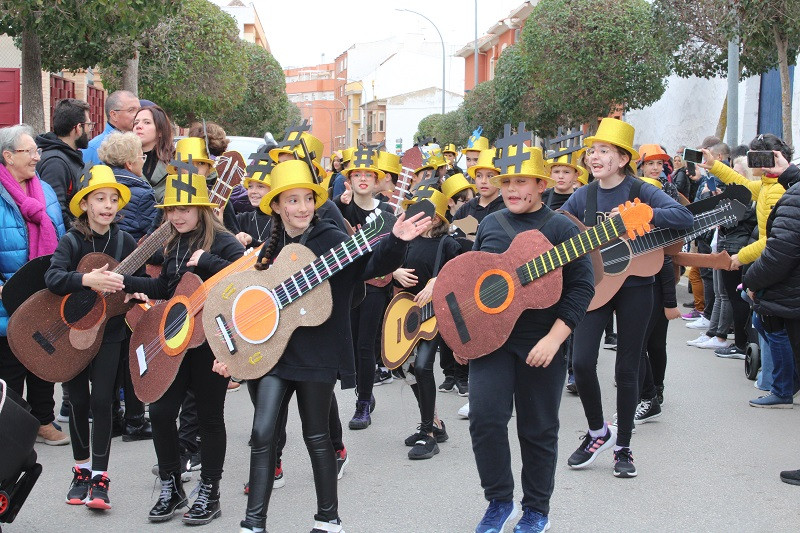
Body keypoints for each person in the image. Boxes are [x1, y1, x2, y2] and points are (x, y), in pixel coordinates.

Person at [212, 158, 429, 533]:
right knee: (262, 433)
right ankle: (253, 522)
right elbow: (249, 305)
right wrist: (230, 352)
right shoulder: (270, 248)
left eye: (307, 199)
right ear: (277, 206)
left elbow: (369, 265)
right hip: (273, 354)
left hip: (317, 354)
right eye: (291, 201)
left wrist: (395, 242)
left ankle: (329, 519)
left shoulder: (332, 239)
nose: (301, 208)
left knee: (317, 436)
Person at [470, 145, 595, 533]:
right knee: (484, 420)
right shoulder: (490, 224)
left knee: (537, 429)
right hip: (491, 342)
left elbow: (581, 289)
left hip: (540, 342)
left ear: (541, 185)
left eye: (520, 181)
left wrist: (555, 340)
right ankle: (499, 501)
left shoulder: (562, 228)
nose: (510, 188)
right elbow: (475, 282)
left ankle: (537, 509)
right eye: (505, 180)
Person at [561, 118, 693, 478]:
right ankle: (597, 432)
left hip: (637, 286)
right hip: (597, 286)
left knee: (628, 366)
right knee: (584, 362)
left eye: (604, 151)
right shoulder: (584, 195)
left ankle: (624, 447)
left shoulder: (640, 188)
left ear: (622, 159)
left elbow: (683, 217)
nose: (594, 157)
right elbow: (557, 224)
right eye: (592, 151)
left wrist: (647, 212)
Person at [121, 172, 245, 525]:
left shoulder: (222, 240)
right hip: (174, 341)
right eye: (172, 209)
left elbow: (245, 280)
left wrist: (208, 262)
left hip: (211, 342)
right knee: (160, 413)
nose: (177, 215)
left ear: (202, 208)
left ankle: (210, 491)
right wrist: (126, 282)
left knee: (208, 418)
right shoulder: (174, 242)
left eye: (185, 208)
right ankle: (171, 486)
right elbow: (166, 285)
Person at [45, 165, 139, 510]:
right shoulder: (72, 240)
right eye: (100, 198)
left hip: (110, 333)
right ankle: (80, 470)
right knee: (78, 403)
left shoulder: (125, 241)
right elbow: (53, 278)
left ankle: (100, 477)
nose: (108, 205)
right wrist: (86, 281)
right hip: (72, 334)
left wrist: (135, 293)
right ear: (85, 204)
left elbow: (136, 280)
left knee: (102, 402)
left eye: (113, 199)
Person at [0, 124, 68, 447]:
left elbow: (61, 233)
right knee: (10, 365)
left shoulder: (45, 191)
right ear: (8, 156)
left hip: (43, 294)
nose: (36, 157)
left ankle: (43, 420)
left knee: (43, 358)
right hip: (6, 297)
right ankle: (11, 428)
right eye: (30, 152)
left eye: (36, 151)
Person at [699, 134, 787, 360]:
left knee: (771, 327)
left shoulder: (776, 190)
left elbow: (773, 239)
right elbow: (745, 186)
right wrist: (714, 165)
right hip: (767, 260)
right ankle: (772, 379)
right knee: (764, 321)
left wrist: (741, 256)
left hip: (772, 262)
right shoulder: (768, 184)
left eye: (754, 155)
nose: (749, 160)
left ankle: (778, 383)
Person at [97, 131, 157, 441]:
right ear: (132, 161)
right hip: (131, 276)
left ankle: (111, 417)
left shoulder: (97, 184)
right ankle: (135, 419)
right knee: (134, 348)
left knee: (107, 351)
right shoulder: (143, 192)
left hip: (99, 274)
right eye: (143, 157)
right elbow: (149, 239)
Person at [394, 183, 460, 459]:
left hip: (435, 315)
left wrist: (439, 281)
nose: (415, 220)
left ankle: (428, 435)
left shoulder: (449, 243)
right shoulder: (406, 241)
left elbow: (463, 277)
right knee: (404, 369)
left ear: (436, 219)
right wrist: (395, 271)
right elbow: (385, 262)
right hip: (406, 315)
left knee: (422, 367)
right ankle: (433, 423)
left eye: (422, 215)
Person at [332, 149, 393, 430]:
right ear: (349, 180)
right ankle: (363, 390)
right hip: (349, 284)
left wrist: (397, 269)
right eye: (358, 174)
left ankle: (363, 403)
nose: (364, 179)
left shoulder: (388, 211)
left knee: (366, 345)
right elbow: (322, 221)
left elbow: (395, 248)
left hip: (377, 284)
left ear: (377, 179)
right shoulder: (341, 207)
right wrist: (336, 202)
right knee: (352, 344)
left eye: (369, 174)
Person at [743, 147, 800, 410]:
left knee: (775, 330)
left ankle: (782, 389)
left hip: (785, 285)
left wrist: (752, 280)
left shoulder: (791, 197)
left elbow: (778, 252)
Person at [36, 98, 93, 224]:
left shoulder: (66, 157)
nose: (90, 131)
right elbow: (55, 210)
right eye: (89, 125)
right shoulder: (56, 163)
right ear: (78, 128)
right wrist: (78, 235)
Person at [83, 90, 140, 165]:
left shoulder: (141, 142)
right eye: (131, 110)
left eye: (139, 110)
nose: (137, 115)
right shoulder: (94, 148)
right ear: (114, 115)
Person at [133, 105, 173, 202]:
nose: (138, 126)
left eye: (147, 122)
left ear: (160, 131)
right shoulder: (124, 161)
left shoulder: (175, 161)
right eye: (136, 123)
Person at [458, 149, 505, 222]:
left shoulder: (506, 209)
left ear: (499, 179)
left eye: (490, 176)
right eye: (479, 176)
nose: (483, 181)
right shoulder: (466, 209)